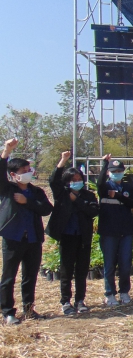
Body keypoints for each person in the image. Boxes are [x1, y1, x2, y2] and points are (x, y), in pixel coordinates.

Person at [0, 138, 53, 324]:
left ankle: (29, 309)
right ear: (13, 175)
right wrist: (6, 151)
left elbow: (46, 209)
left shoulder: (36, 192)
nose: (29, 173)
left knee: (30, 276)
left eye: (29, 170)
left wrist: (27, 202)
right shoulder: (7, 189)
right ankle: (8, 312)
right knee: (9, 277)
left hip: (33, 239)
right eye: (24, 171)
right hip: (13, 238)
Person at [47, 151, 100, 315]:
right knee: (66, 270)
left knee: (82, 271)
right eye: (73, 180)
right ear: (67, 181)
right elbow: (53, 181)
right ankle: (65, 301)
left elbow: (93, 211)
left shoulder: (88, 195)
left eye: (79, 179)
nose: (77, 182)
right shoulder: (62, 194)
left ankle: (80, 300)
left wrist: (76, 200)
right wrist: (62, 161)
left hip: (83, 237)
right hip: (67, 236)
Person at [98, 154, 133, 306]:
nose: (117, 174)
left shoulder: (127, 187)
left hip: (126, 230)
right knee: (109, 264)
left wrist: (118, 196)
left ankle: (124, 291)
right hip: (109, 231)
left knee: (125, 263)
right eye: (114, 171)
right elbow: (99, 182)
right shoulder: (105, 187)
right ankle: (109, 293)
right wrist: (104, 164)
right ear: (109, 173)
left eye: (119, 171)